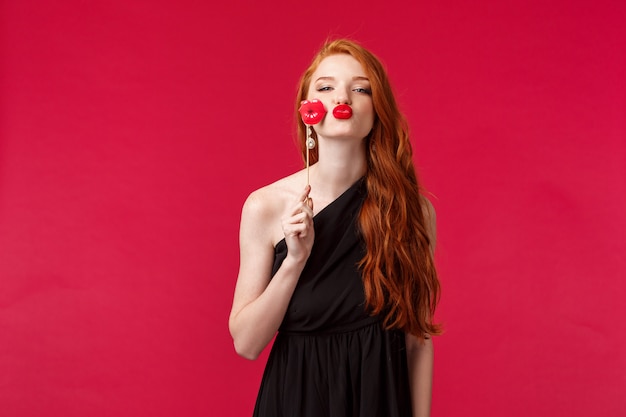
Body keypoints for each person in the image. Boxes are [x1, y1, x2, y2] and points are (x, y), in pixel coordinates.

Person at [229, 39, 441, 417]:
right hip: (296, 401)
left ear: (377, 111)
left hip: (379, 401)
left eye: (360, 89)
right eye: (325, 87)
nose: (341, 96)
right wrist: (295, 260)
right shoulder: (265, 206)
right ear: (307, 111)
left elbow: (416, 341)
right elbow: (246, 343)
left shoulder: (413, 212)